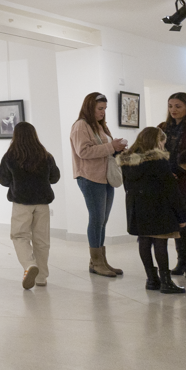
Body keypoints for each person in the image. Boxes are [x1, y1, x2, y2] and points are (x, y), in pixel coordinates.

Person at [117, 127, 186, 294]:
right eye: (163, 142)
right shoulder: (158, 161)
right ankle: (166, 282)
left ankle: (152, 279)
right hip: (158, 207)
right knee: (160, 242)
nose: (163, 146)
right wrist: (182, 216)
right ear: (157, 142)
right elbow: (171, 191)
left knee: (144, 241)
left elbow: (128, 187)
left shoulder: (127, 162)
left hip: (137, 207)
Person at [69, 92, 128, 277]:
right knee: (96, 220)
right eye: (100, 109)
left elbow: (104, 150)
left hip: (106, 177)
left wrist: (117, 149)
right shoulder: (81, 126)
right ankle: (96, 262)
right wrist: (111, 147)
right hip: (90, 177)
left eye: (104, 109)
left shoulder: (100, 126)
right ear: (89, 108)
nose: (103, 112)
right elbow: (83, 151)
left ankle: (101, 260)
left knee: (102, 221)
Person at [0, 122, 60, 289]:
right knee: (42, 240)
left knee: (19, 236)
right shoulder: (45, 155)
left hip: (21, 202)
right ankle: (41, 278)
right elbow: (55, 177)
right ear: (34, 135)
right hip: (42, 203)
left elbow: (2, 179)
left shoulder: (11, 156)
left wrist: (16, 181)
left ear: (15, 136)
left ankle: (29, 265)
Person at [158, 93, 186, 278]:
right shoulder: (162, 128)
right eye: (170, 106)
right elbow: (155, 152)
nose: (173, 110)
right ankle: (183, 260)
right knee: (179, 223)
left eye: (178, 106)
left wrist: (179, 171)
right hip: (169, 183)